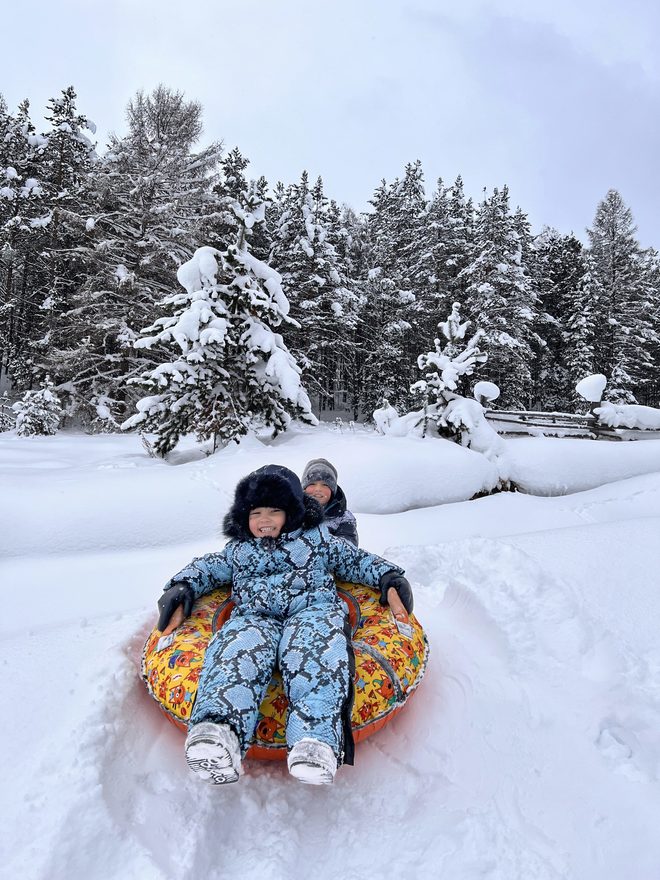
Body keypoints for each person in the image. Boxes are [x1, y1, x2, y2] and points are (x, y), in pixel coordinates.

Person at [156, 464, 413, 787]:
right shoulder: (238, 550)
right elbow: (209, 567)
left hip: (311, 611)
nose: (264, 520)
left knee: (317, 657)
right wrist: (183, 585)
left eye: (275, 511)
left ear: (292, 512)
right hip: (255, 617)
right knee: (234, 652)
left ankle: (314, 742)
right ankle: (218, 733)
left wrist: (389, 576)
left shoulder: (319, 539)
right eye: (256, 512)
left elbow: (355, 560)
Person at [301, 457, 359, 546]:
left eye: (325, 485)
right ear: (303, 488)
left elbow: (347, 549)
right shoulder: (291, 513)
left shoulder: (344, 518)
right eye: (312, 484)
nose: (318, 489)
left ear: (333, 491)